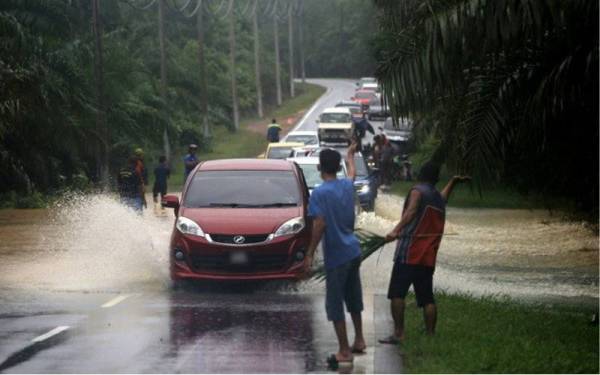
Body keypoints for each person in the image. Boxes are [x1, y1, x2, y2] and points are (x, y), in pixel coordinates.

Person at [378, 163, 470, 344]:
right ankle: (430, 335)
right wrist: (453, 181)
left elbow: (412, 211)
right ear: (436, 179)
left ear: (420, 175)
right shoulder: (436, 197)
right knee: (427, 298)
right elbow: (444, 198)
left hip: (408, 253)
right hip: (428, 256)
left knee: (397, 294)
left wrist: (395, 230)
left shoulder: (417, 191)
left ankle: (399, 334)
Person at [303, 142, 366, 369]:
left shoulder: (319, 193)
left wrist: (309, 253)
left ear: (320, 168)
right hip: (353, 250)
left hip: (337, 255)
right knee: (354, 296)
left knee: (335, 302)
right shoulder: (347, 187)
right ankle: (359, 339)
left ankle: (344, 350)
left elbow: (319, 224)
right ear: (337, 167)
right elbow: (353, 173)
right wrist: (350, 154)